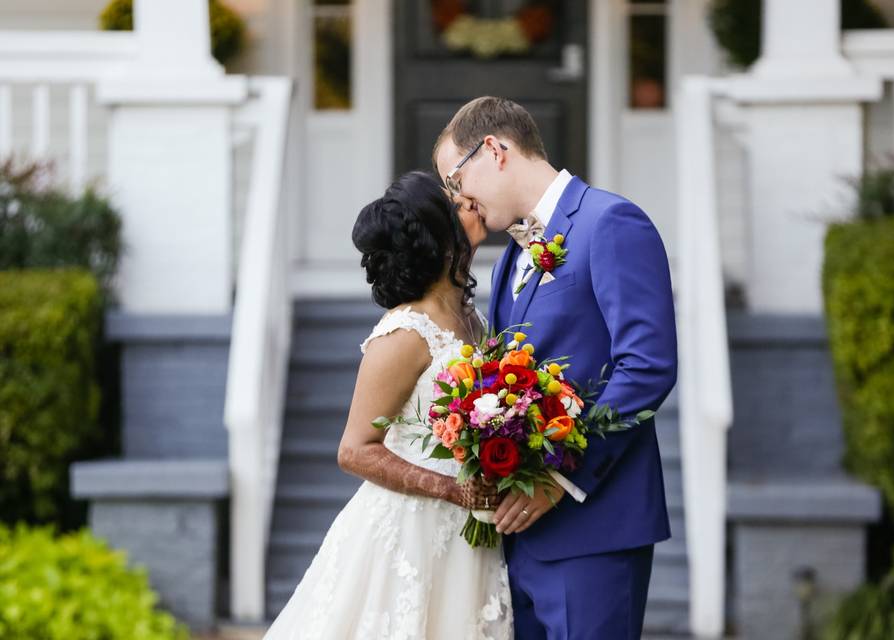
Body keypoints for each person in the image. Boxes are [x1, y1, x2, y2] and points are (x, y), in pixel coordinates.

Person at [434, 96, 678, 639]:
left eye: (456, 179)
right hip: (518, 538)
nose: (458, 199)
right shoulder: (507, 263)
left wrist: (558, 478)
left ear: (494, 150)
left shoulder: (610, 222)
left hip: (594, 527)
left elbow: (647, 366)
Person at [262, 171, 513, 639]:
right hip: (407, 537)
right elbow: (354, 450)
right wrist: (451, 489)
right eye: (455, 202)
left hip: (467, 538)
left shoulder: (476, 319)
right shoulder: (404, 333)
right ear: (438, 238)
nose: (470, 201)